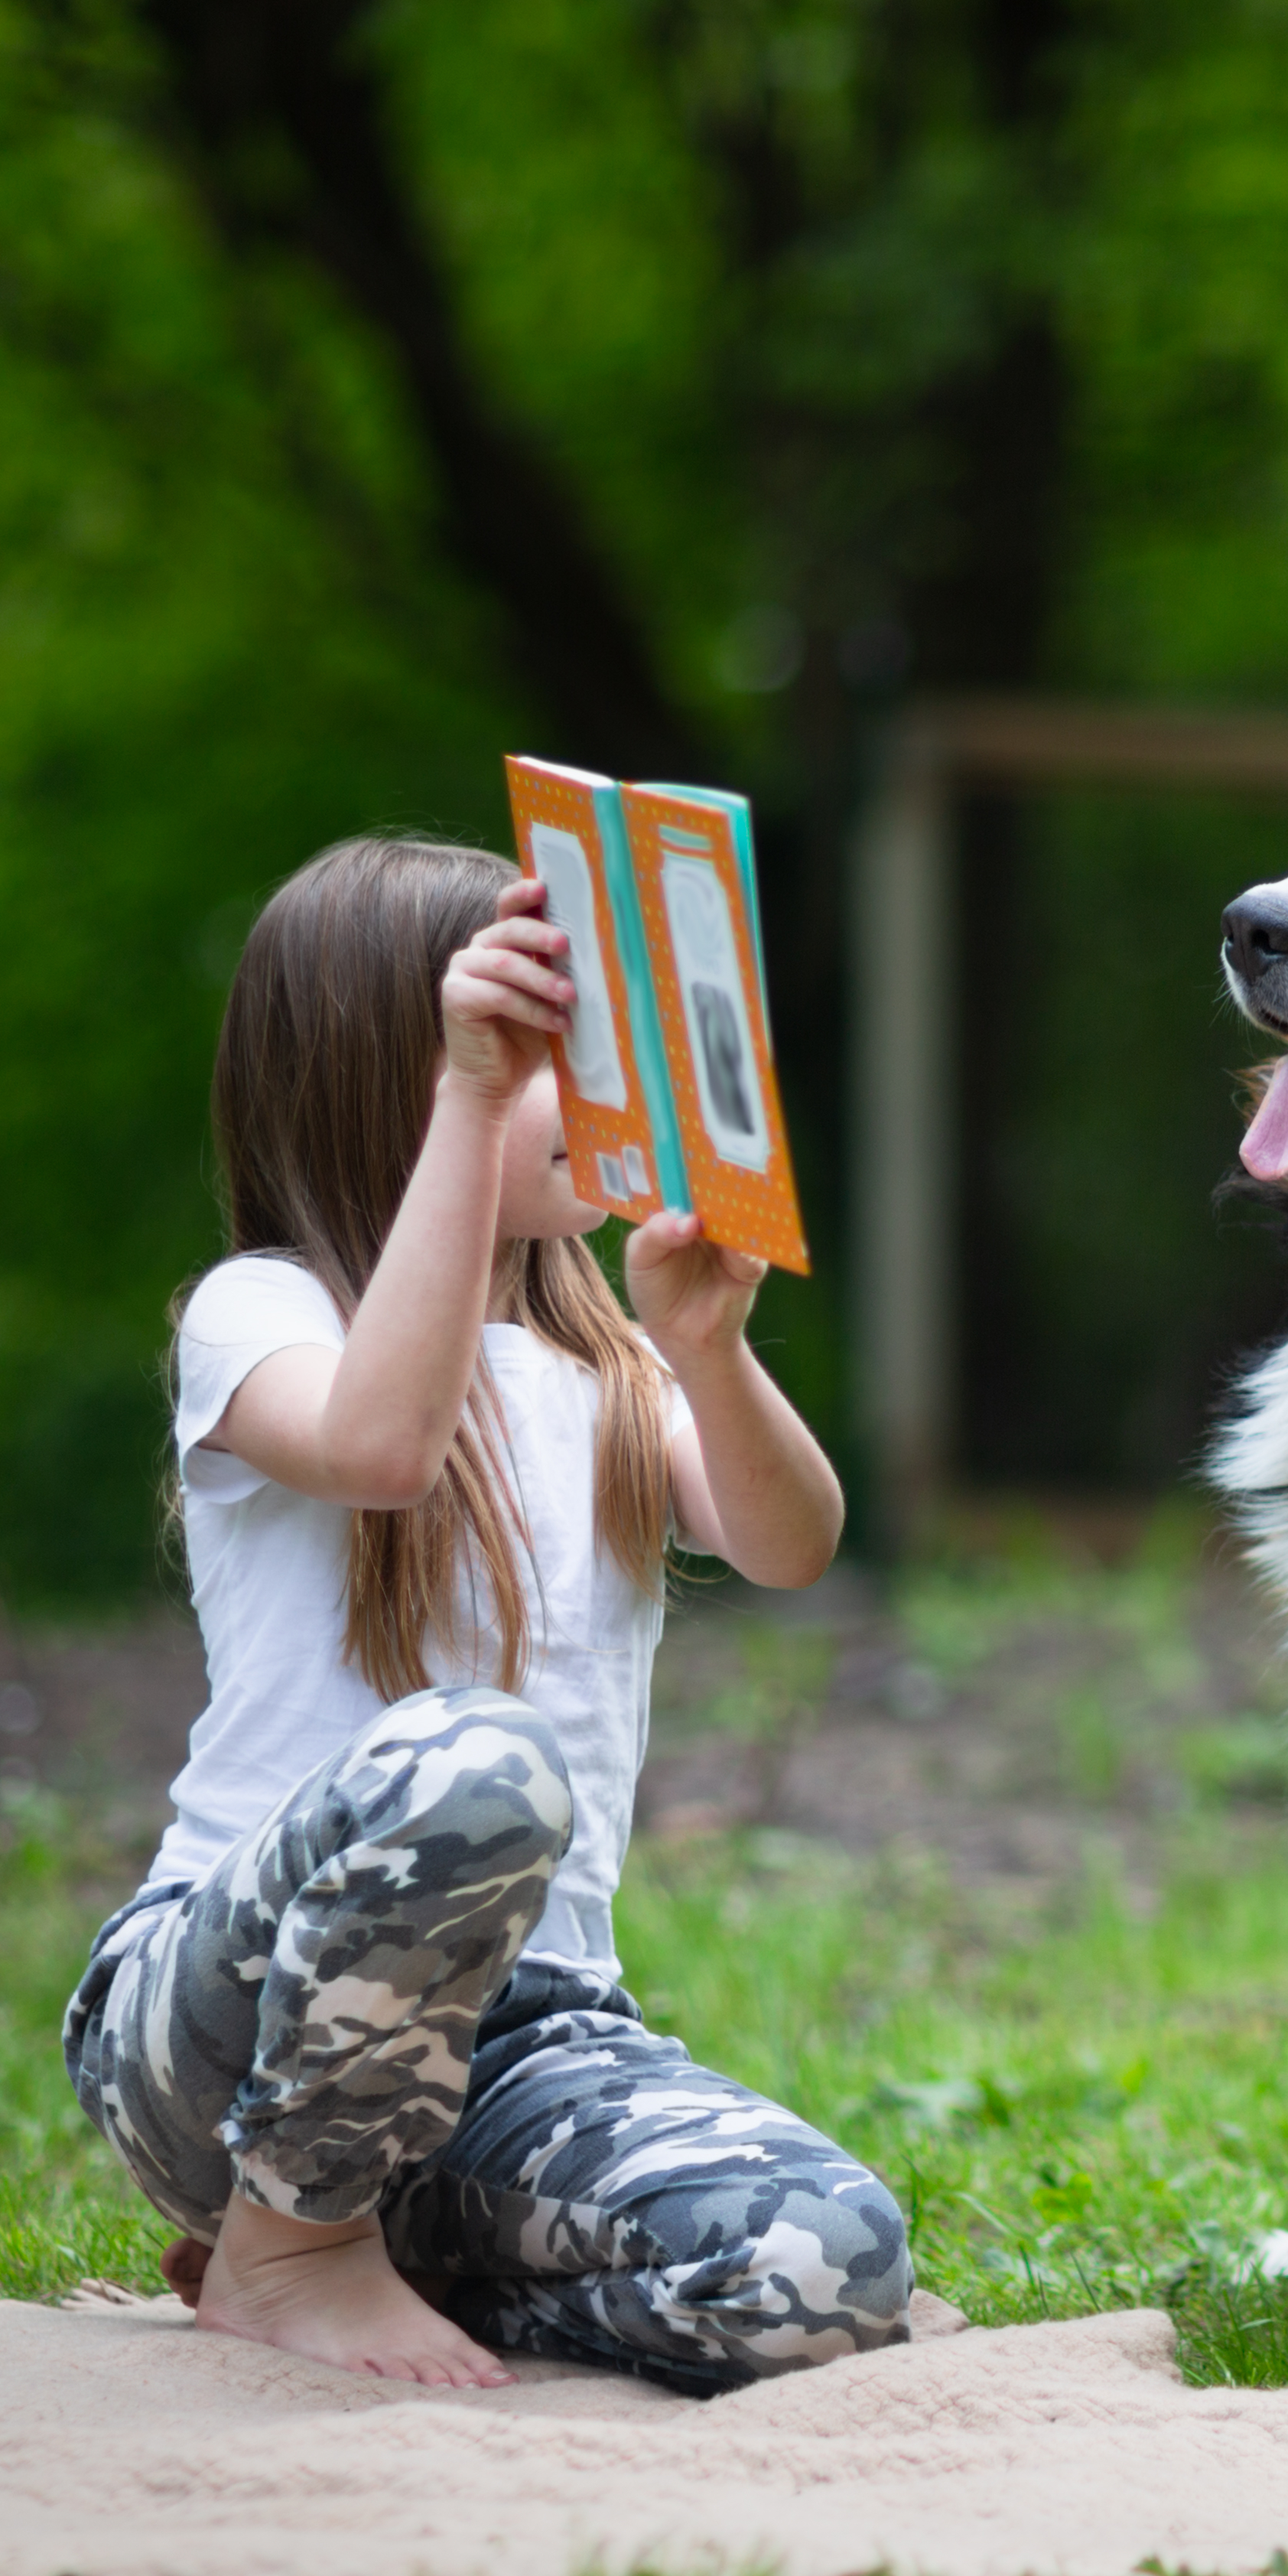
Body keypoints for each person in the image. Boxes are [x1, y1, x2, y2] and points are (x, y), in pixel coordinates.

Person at [60, 836, 904, 2392]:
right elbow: (382, 1450)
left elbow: (795, 1545)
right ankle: (291, 2238)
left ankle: (427, 2268)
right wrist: (469, 1095)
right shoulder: (263, 1313)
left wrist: (708, 1350)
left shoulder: (613, 1372)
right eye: (544, 1065)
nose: (598, 1104)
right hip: (222, 2028)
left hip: (525, 2042)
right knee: (478, 1761)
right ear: (401, 1083)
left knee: (829, 2263)